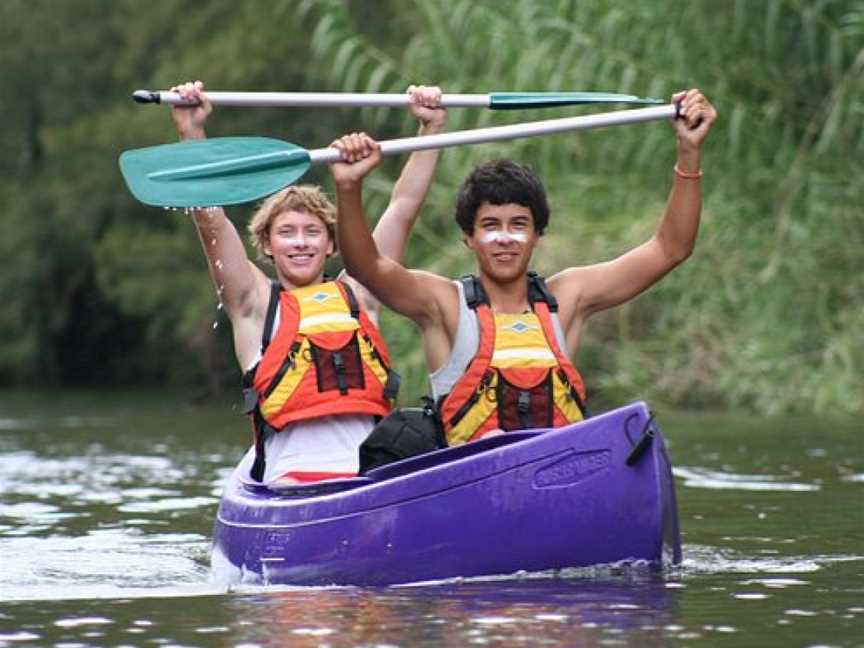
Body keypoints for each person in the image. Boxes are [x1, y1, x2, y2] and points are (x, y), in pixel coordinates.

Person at [330, 89, 717, 445]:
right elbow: (367, 267)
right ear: (469, 237)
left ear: (537, 235)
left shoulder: (570, 297)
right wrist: (349, 189)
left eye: (518, 225)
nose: (504, 239)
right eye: (490, 226)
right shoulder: (442, 304)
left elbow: (670, 249)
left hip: (554, 475)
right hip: (473, 482)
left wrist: (688, 152)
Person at [169, 80, 448, 484]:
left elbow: (403, 208)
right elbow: (210, 219)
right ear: (266, 244)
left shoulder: (362, 291)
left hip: (369, 480)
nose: (300, 242)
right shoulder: (253, 302)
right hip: (292, 482)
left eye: (312, 232)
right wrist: (191, 134)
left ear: (333, 242)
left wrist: (430, 129)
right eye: (287, 232)